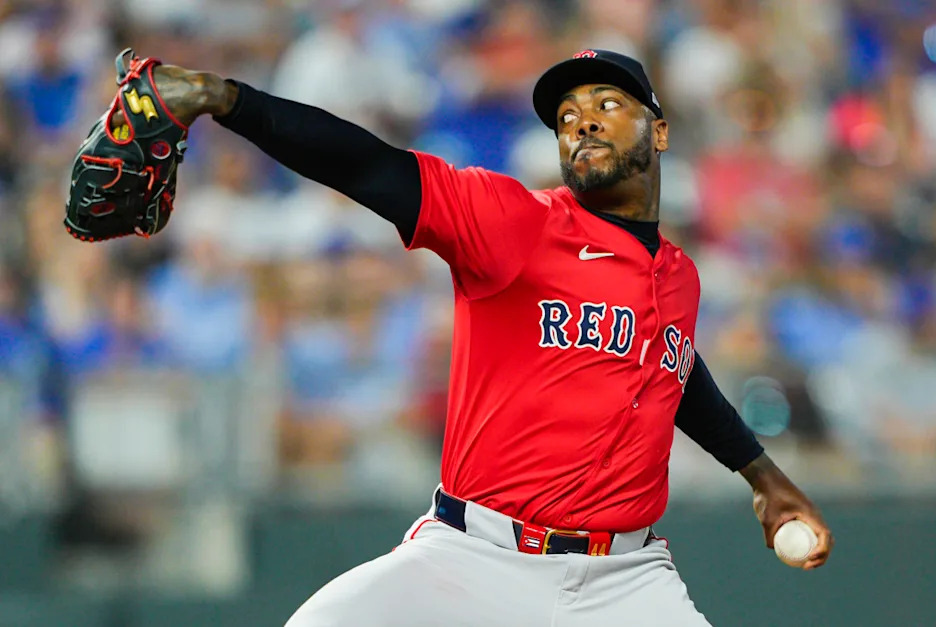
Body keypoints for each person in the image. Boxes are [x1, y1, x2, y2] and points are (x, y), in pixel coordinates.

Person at [143, 49, 834, 626]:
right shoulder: (517, 222)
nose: (581, 121)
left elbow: (673, 369)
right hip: (472, 562)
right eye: (566, 117)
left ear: (659, 132)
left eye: (606, 104)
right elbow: (368, 166)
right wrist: (224, 98)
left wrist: (763, 475)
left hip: (628, 580)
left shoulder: (679, 276)